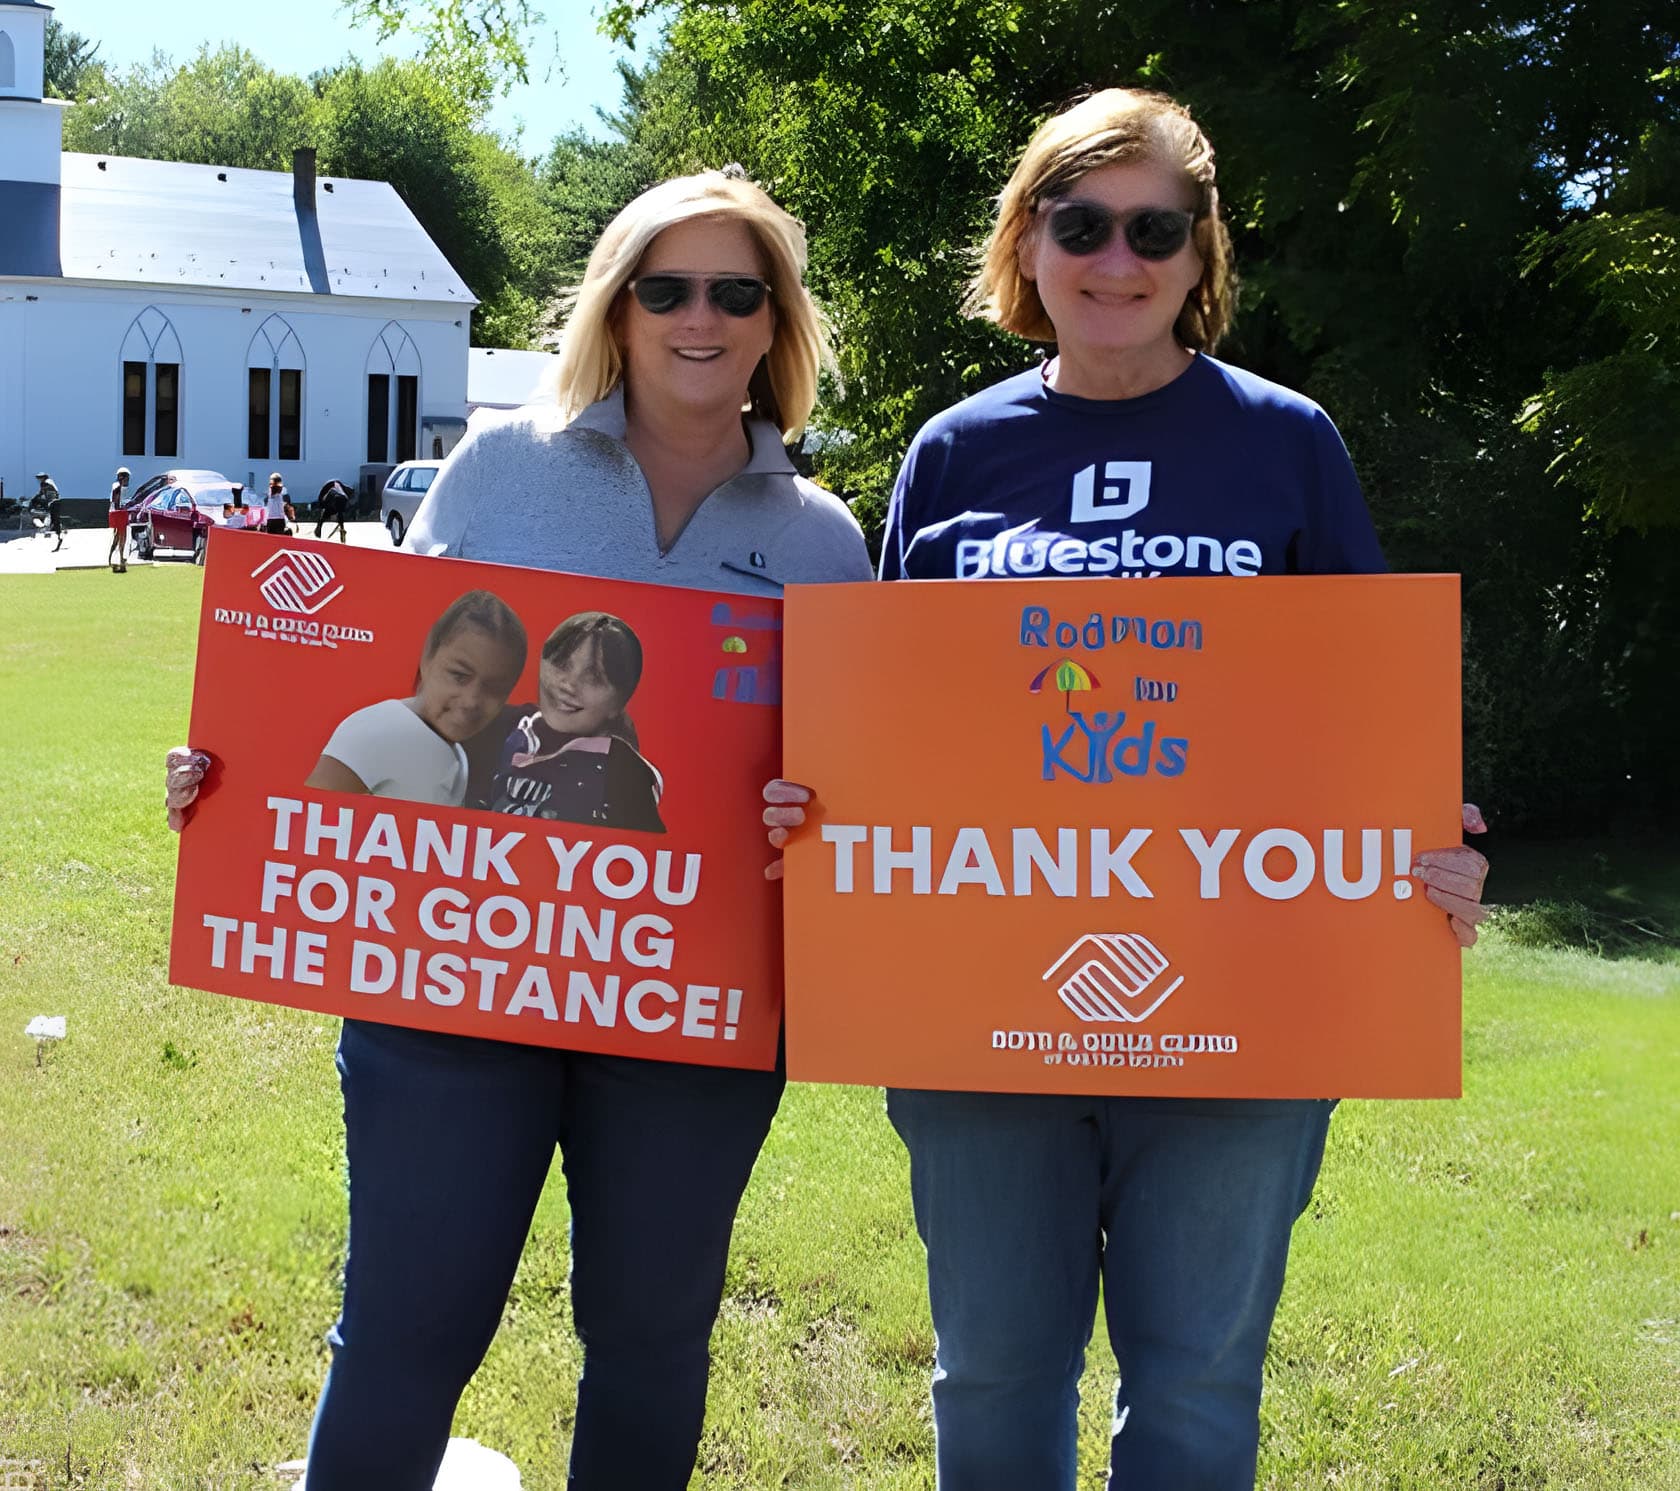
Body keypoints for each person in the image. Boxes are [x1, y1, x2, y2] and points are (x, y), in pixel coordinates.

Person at [763, 90, 1491, 1491]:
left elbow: (1368, 708)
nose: (1117, 256)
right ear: (1026, 243)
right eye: (1081, 221)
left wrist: (1431, 840)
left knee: (1201, 1385)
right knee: (990, 1375)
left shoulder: (1288, 443)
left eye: (1156, 225)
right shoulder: (954, 455)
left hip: (1242, 998)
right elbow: (891, 717)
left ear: (1201, 251)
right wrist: (820, 807)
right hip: (980, 1007)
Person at [166, 168, 872, 1490]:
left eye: (736, 290)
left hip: (694, 1016)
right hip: (454, 984)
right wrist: (234, 774)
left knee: (653, 1342)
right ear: (619, 305)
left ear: (778, 322)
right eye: (666, 287)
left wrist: (816, 814)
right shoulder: (498, 467)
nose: (699, 318)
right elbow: (369, 677)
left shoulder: (826, 542)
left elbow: (858, 795)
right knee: (403, 1334)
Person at [306, 590, 528, 806]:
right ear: (427, 657)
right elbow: (306, 819)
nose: (471, 701)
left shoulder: (458, 754)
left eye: (494, 689)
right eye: (459, 676)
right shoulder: (376, 728)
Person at [471, 612, 666, 832]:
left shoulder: (624, 773)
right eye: (561, 664)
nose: (568, 685)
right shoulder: (496, 724)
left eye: (593, 677)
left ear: (620, 702)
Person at [32, 472, 63, 552]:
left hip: (53, 502)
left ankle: (59, 535)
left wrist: (35, 498)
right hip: (56, 502)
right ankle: (58, 534)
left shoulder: (45, 482)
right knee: (54, 519)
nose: (39, 479)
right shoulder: (50, 481)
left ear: (43, 477)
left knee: (54, 519)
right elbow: (44, 492)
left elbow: (42, 492)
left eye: (40, 478)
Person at [108, 467, 131, 572]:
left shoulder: (118, 486)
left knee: (118, 536)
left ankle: (114, 558)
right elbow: (116, 500)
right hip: (119, 513)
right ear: (122, 477)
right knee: (122, 537)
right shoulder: (117, 486)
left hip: (117, 513)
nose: (128, 480)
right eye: (127, 477)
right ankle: (120, 560)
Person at [314, 478, 351, 542]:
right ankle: (342, 528)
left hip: (332, 497)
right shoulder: (340, 487)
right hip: (340, 497)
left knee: (327, 513)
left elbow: (322, 504)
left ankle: (319, 527)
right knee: (339, 511)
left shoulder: (327, 490)